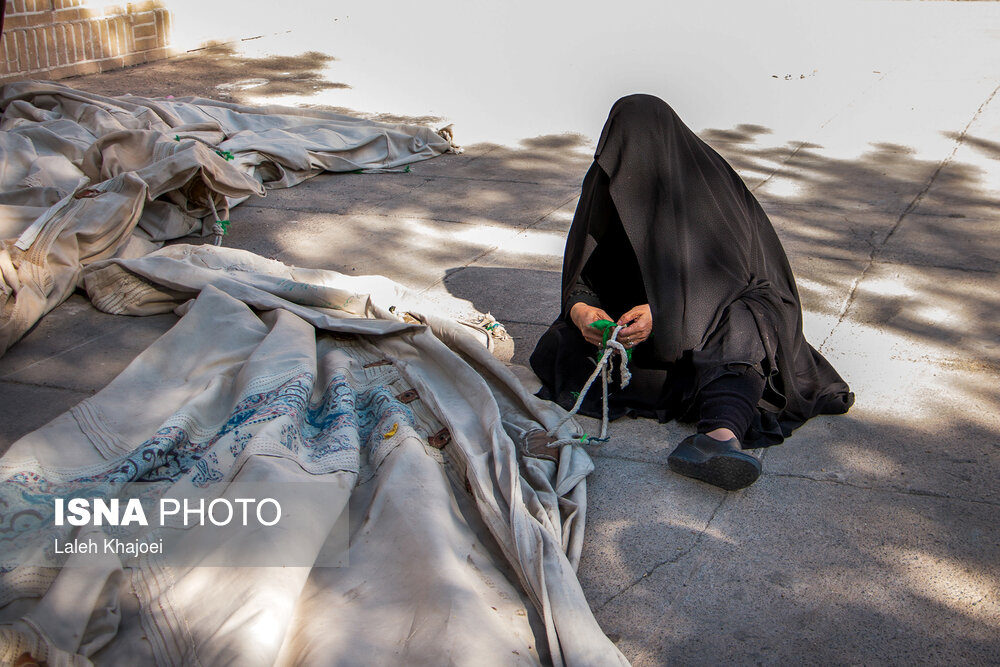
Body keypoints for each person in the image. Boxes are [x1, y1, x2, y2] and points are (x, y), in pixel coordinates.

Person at [529, 94, 854, 491]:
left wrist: (662, 314)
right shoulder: (607, 182)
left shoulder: (708, 185)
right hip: (645, 337)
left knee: (748, 322)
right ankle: (677, 387)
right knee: (561, 344)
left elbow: (736, 283)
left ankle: (719, 436)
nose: (629, 177)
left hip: (718, 323)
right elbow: (585, 275)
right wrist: (583, 313)